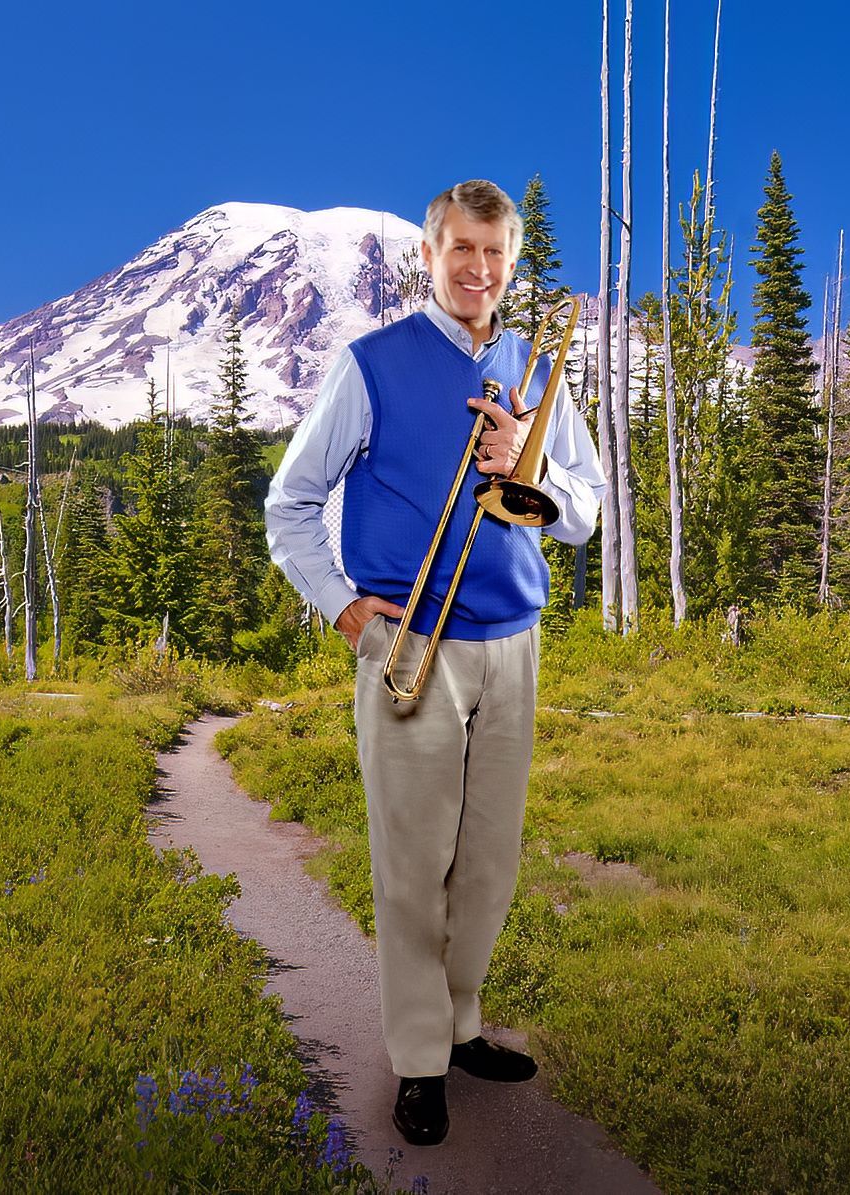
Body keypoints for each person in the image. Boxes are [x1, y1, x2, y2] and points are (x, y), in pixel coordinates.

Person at [264, 179, 605, 1147]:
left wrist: (526, 470)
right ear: (431, 252)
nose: (480, 270)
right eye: (462, 249)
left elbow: (585, 509)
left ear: (512, 258)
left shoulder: (537, 368)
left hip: (513, 645)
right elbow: (290, 505)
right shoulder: (369, 363)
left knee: (488, 864)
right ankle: (417, 1060)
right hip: (408, 641)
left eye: (496, 253)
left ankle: (459, 1028)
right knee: (414, 866)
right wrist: (340, 609)